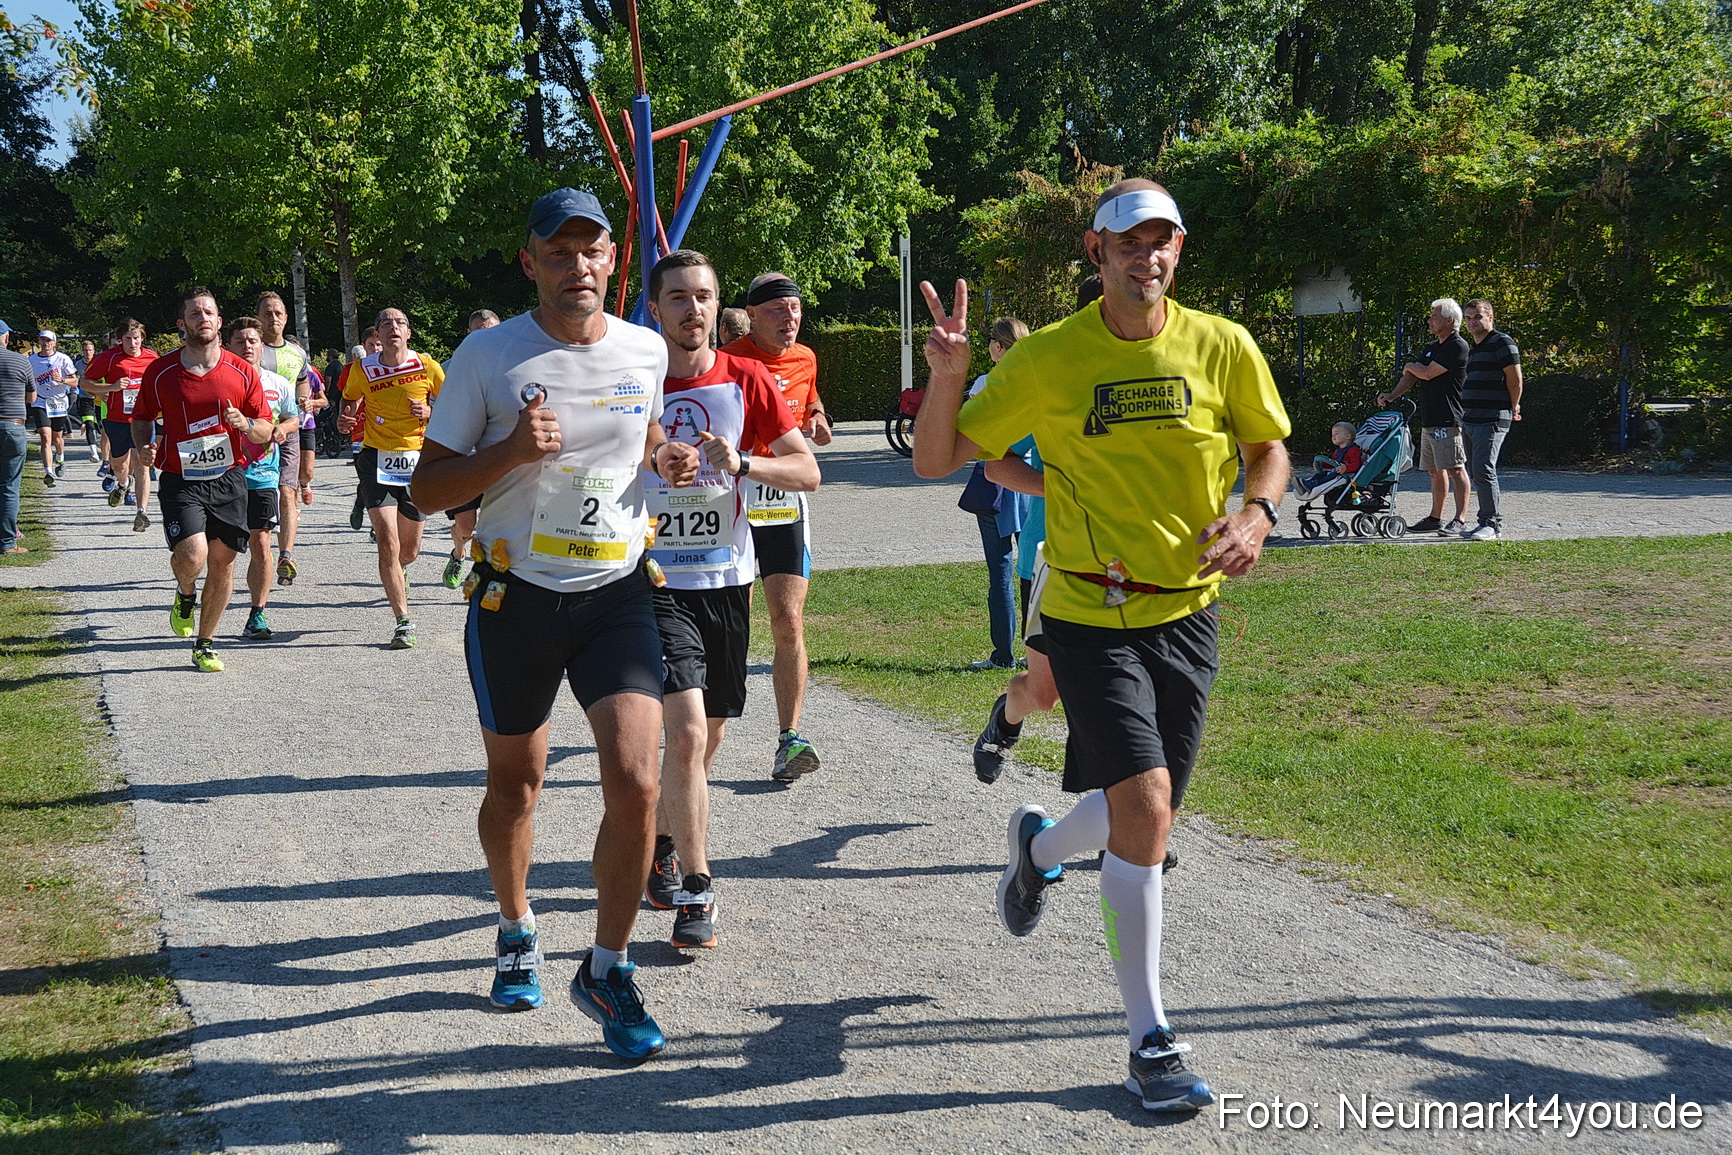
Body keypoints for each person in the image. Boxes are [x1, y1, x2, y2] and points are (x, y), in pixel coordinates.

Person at [912, 179, 1291, 1112]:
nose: (1146, 257)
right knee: (1148, 807)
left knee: (1145, 820)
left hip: (1189, 610)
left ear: (1178, 252)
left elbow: (1268, 445)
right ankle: (1148, 1040)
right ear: (1097, 252)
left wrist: (1257, 512)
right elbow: (935, 456)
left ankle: (1038, 848)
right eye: (1128, 242)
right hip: (1089, 610)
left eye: (1161, 241)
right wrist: (954, 372)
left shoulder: (1224, 343)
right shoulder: (1049, 358)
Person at [411, 187, 699, 1059]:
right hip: (517, 598)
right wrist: (510, 452)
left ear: (614, 262)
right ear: (530, 261)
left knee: (639, 781)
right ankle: (515, 925)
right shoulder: (486, 356)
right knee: (517, 788)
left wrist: (665, 456)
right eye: (559, 251)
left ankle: (605, 967)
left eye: (593, 250)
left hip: (616, 592)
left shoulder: (644, 349)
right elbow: (426, 491)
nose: (578, 266)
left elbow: (640, 434)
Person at [641, 249, 820, 948]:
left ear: (720, 307)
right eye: (678, 298)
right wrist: (656, 456)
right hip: (654, 581)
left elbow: (807, 468)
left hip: (725, 581)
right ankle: (698, 888)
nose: (693, 310)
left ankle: (660, 837)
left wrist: (742, 460)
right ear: (656, 309)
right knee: (684, 733)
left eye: (704, 297)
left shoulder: (748, 378)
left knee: (708, 736)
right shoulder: (637, 381)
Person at [720, 272, 833, 782]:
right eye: (779, 311)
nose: (791, 319)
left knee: (787, 620)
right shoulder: (728, 362)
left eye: (796, 310)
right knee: (730, 620)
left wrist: (817, 418)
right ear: (753, 313)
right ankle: (699, 727)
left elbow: (808, 399)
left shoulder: (806, 357)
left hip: (783, 496)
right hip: (731, 495)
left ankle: (789, 739)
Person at [132, 288, 276, 673]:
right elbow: (142, 416)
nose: (203, 319)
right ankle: (184, 592)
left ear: (219, 319)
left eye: (208, 313)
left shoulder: (241, 371)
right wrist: (145, 447)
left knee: (223, 562)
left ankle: (205, 642)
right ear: (182, 324)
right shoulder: (160, 371)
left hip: (229, 478)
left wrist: (246, 424)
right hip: (182, 478)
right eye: (194, 314)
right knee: (192, 556)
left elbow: (265, 427)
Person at [337, 307, 443, 649]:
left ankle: (401, 570)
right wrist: (345, 419)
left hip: (416, 461)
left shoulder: (427, 365)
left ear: (408, 333)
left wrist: (430, 411)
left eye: (399, 323)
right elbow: (349, 400)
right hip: (375, 458)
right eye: (386, 323)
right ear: (377, 336)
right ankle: (403, 621)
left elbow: (457, 404)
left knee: (408, 552)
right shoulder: (362, 368)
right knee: (388, 541)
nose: (393, 328)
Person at [223, 317, 302, 640]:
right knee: (222, 548)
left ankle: (257, 613)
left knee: (261, 541)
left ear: (262, 345)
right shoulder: (219, 381)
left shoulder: (277, 383)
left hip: (262, 474)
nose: (248, 347)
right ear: (228, 346)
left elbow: (292, 416)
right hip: (223, 474)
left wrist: (283, 429)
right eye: (240, 341)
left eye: (253, 341)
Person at [966, 317, 1031, 671]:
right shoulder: (1036, 382)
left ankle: (1002, 655)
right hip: (1032, 482)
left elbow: (971, 436)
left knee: (1000, 571)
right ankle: (1035, 650)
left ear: (999, 346)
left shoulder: (985, 384)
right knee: (1032, 570)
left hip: (996, 482)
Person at [1377, 297, 1470, 534]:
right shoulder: (1432, 347)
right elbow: (1413, 374)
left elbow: (1427, 373)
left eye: (1434, 316)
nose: (1429, 320)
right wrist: (1392, 395)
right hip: (1430, 418)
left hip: (1448, 418)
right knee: (1434, 470)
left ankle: (1459, 520)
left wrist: (1411, 366)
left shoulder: (1457, 346)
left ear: (1450, 321)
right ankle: (1435, 518)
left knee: (1455, 467)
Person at [438, 309, 501, 588]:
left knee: (499, 524)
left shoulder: (511, 366)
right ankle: (458, 552)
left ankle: (490, 575)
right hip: (462, 460)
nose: (487, 339)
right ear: (468, 335)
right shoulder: (448, 368)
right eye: (479, 333)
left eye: (492, 332)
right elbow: (433, 407)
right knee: (465, 527)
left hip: (498, 460)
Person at [81, 318, 160, 531]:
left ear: (142, 338)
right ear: (120, 339)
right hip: (117, 420)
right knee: (119, 465)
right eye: (128, 339)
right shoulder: (109, 358)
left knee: (142, 463)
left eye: (136, 338)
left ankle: (142, 512)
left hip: (144, 420)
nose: (132, 343)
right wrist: (112, 387)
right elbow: (85, 383)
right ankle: (124, 484)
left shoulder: (152, 358)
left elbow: (161, 383)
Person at [1459, 299, 1522, 541]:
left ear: (1490, 318)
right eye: (1469, 318)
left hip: (1493, 417)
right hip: (1471, 418)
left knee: (1484, 468)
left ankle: (1491, 524)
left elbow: (1515, 378)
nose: (1472, 322)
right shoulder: (1474, 348)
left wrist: (1513, 405)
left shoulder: (1502, 342)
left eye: (1477, 317)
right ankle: (1483, 521)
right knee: (1476, 470)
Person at [0, 320, 33, 554]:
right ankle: (7, 542)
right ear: (6, 338)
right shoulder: (21, 361)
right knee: (9, 486)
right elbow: (31, 398)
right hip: (12, 426)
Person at [28, 329, 75, 486]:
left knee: (57, 438)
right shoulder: (32, 360)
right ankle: (48, 472)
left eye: (49, 340)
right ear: (39, 342)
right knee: (45, 436)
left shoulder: (62, 359)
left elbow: (75, 381)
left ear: (54, 343)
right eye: (43, 340)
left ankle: (60, 458)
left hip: (59, 402)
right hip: (40, 401)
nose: (46, 343)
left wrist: (62, 380)